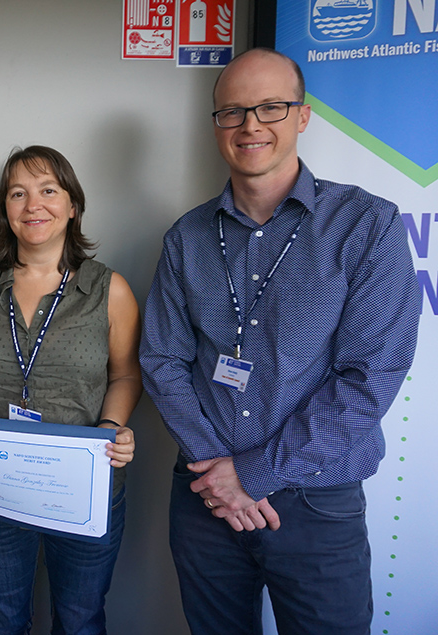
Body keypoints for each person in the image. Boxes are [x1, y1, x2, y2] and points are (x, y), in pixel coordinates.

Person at [140, 48, 420, 635]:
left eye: (271, 107)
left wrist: (251, 474)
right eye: (233, 111)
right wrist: (219, 475)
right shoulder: (187, 237)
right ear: (216, 122)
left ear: (303, 115)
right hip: (203, 497)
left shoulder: (368, 225)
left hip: (318, 503)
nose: (250, 126)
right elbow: (162, 360)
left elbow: (371, 378)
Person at [0, 145, 142, 634]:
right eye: (18, 193)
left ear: (72, 204)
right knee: (4, 615)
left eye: (48, 190)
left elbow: (127, 374)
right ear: (5, 210)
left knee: (79, 619)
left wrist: (114, 428)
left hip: (83, 484)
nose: (34, 205)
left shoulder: (108, 289)